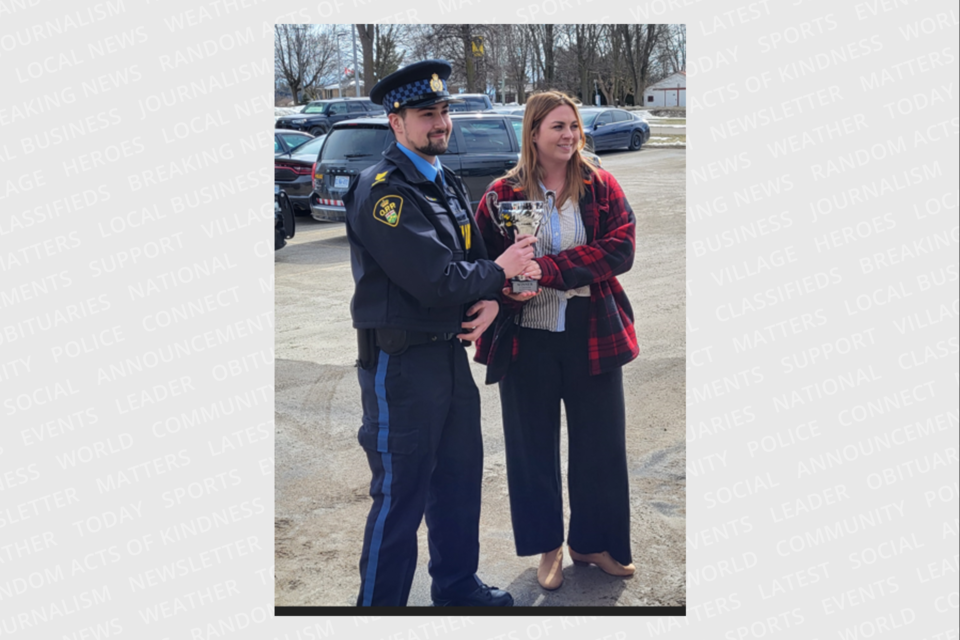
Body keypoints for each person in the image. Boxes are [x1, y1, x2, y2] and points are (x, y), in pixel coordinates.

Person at [343, 59, 537, 607]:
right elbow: (437, 279)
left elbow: (475, 261)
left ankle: (456, 588)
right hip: (400, 367)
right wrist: (502, 271)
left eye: (445, 111)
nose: (441, 123)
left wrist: (496, 300)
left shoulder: (445, 180)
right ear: (395, 122)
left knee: (457, 482)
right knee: (400, 497)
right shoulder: (383, 191)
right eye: (427, 114)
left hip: (449, 357)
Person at [474, 91, 639, 592]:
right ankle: (549, 549)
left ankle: (593, 542)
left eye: (573, 126)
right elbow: (482, 264)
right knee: (531, 451)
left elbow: (621, 247)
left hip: (592, 331)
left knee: (600, 447)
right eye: (557, 128)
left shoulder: (599, 184)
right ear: (534, 134)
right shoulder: (501, 194)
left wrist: (548, 268)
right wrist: (503, 289)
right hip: (528, 339)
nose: (569, 136)